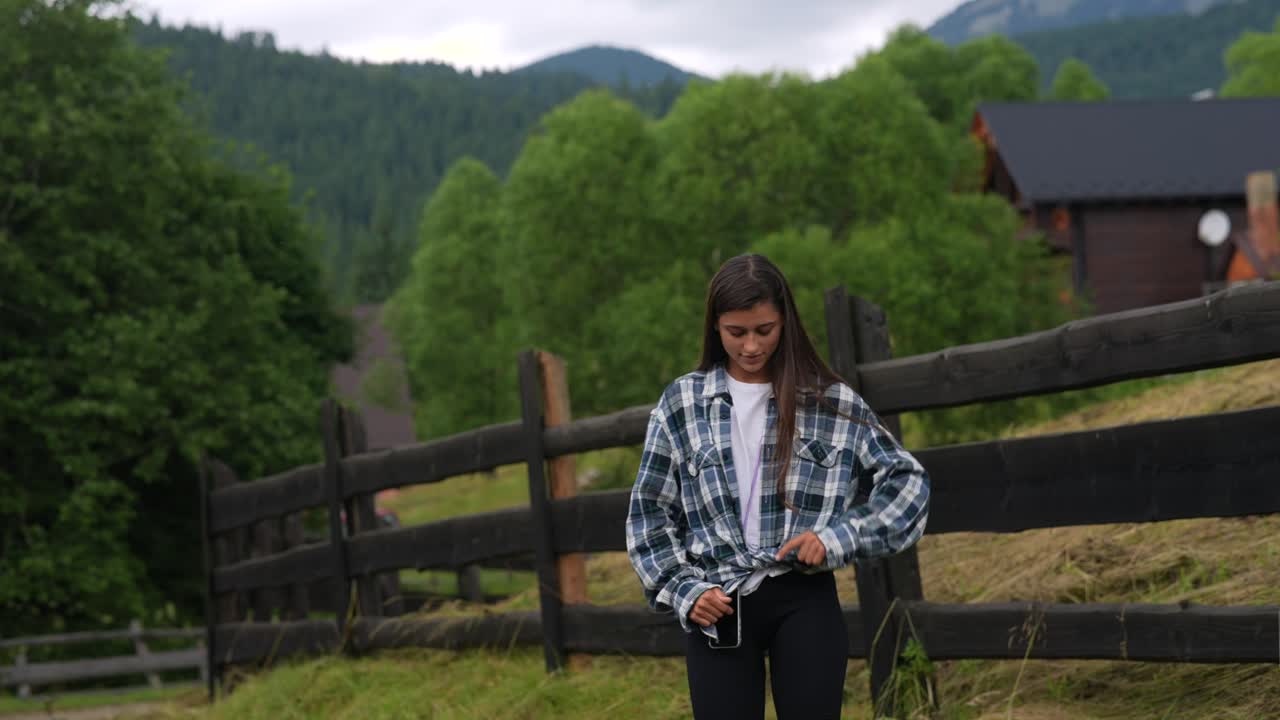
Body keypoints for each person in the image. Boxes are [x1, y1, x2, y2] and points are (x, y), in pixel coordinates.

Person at [625, 254, 930, 719]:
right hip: (717, 605)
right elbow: (649, 515)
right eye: (736, 332)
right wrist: (684, 589)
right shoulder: (681, 404)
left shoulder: (828, 401)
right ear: (715, 328)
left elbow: (907, 484)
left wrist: (837, 537)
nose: (750, 346)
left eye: (764, 330)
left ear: (785, 322)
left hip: (803, 599)